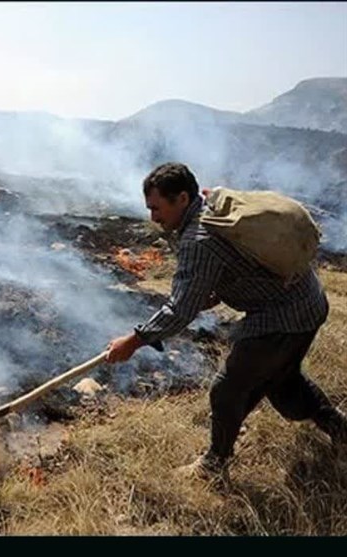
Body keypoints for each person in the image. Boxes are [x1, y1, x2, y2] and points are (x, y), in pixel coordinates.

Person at [105, 162, 347, 480]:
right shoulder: (214, 207)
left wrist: (134, 341)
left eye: (157, 208)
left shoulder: (198, 239)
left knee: (227, 390)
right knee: (282, 381)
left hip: (283, 317)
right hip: (309, 301)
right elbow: (241, 263)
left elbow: (179, 310)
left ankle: (214, 465)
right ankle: (341, 431)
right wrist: (217, 291)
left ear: (182, 199)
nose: (153, 217)